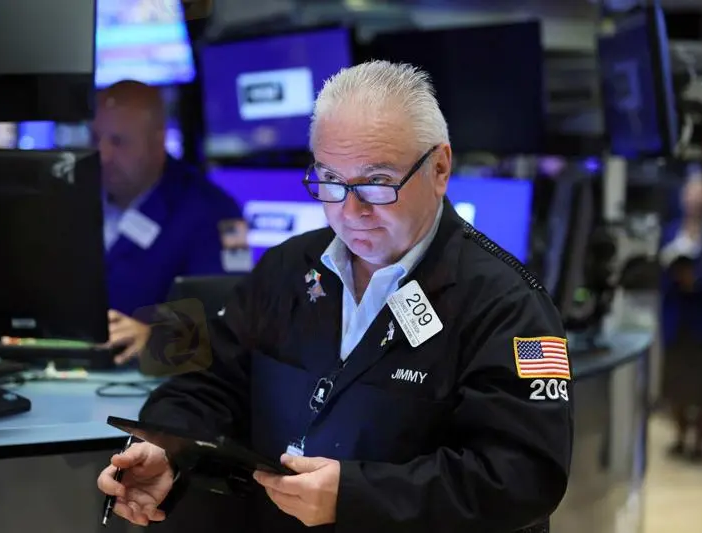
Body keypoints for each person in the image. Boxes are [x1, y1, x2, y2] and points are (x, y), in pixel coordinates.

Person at [97, 61, 574, 532]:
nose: (350, 211)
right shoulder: (287, 269)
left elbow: (522, 477)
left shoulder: (509, 305)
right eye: (330, 181)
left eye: (377, 182)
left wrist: (358, 498)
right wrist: (166, 448)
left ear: (440, 168)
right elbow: (206, 380)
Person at [92, 80, 242, 364]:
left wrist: (155, 338)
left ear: (157, 141)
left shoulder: (217, 211)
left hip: (154, 378)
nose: (103, 155)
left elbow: (232, 323)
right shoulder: (74, 197)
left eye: (119, 142)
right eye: (95, 139)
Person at [659, 170, 702, 462]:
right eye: (689, 193)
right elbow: (659, 271)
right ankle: (680, 436)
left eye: (698, 193)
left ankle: (699, 442)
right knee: (676, 382)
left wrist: (699, 281)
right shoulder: (671, 230)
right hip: (676, 317)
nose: (693, 199)